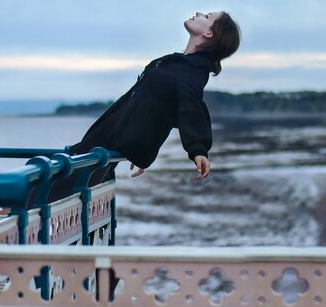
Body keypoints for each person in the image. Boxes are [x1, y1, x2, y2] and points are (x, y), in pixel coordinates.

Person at [34, 11, 241, 204]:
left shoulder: (193, 69)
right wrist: (142, 145)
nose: (198, 13)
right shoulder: (180, 63)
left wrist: (198, 149)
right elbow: (163, 109)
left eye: (207, 15)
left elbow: (190, 108)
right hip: (100, 141)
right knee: (47, 196)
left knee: (41, 197)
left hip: (103, 147)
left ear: (208, 33)